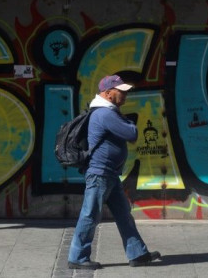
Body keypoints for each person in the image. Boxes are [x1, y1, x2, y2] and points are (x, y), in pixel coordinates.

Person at [68, 74, 162, 270]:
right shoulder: (105, 114)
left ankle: (138, 254)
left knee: (123, 214)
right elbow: (132, 133)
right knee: (90, 214)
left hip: (109, 174)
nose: (125, 95)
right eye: (122, 91)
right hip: (100, 174)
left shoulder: (109, 112)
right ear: (108, 93)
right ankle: (77, 257)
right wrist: (126, 121)